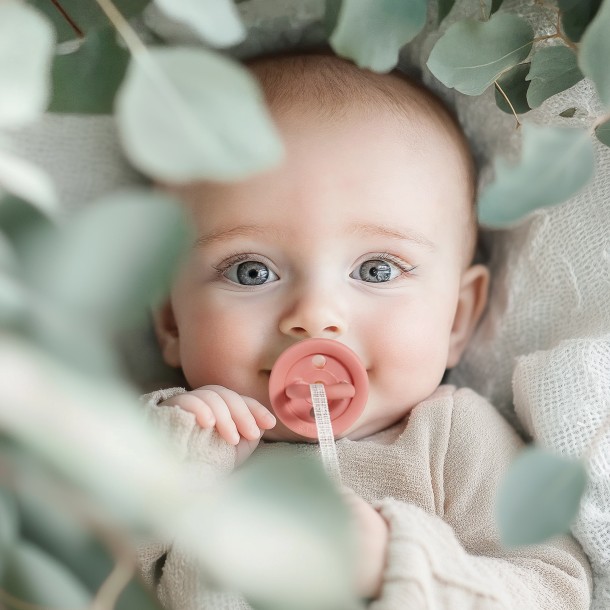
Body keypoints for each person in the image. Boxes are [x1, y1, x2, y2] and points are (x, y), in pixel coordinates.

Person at [139, 52, 591, 608]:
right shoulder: (169, 436)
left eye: (377, 270)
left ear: (455, 317)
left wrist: (396, 562)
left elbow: (556, 590)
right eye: (250, 271)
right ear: (170, 320)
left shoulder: (450, 439)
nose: (315, 313)